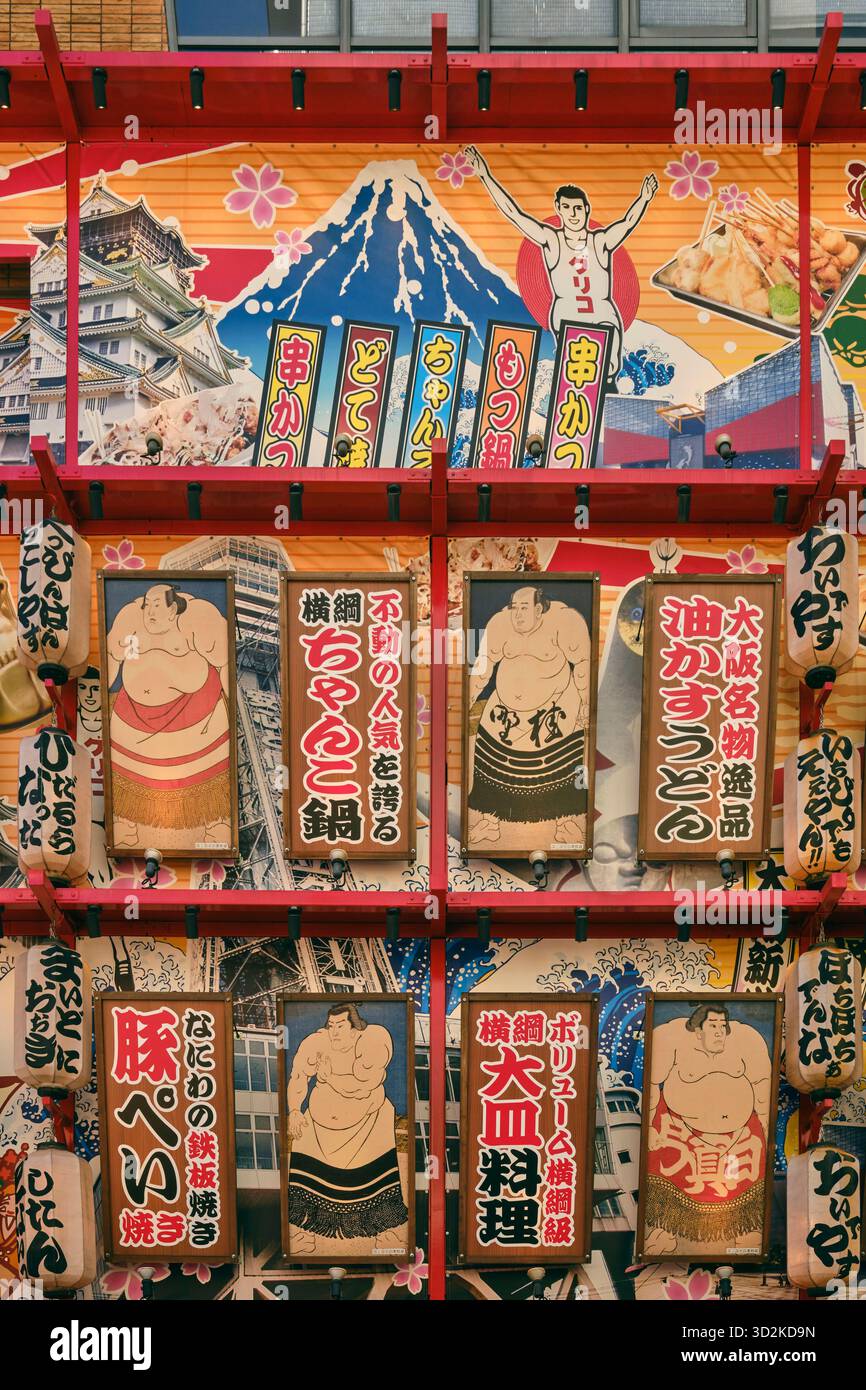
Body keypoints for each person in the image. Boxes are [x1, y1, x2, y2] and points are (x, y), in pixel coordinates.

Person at [463, 146, 657, 380]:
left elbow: (627, 222)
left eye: (577, 208)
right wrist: (485, 176)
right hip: (567, 317)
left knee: (608, 371)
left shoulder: (600, 240)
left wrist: (644, 199)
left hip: (603, 315)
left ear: (586, 210)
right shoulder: (551, 239)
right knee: (577, 380)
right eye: (566, 208)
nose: (573, 214)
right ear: (558, 209)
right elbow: (515, 214)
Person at [105, 582, 231, 849]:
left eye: (157, 606)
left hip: (196, 714)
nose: (149, 612)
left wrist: (233, 706)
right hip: (134, 716)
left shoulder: (199, 618)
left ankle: (216, 824)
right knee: (129, 775)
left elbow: (223, 662)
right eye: (147, 605)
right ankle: (125, 827)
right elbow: (112, 658)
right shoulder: (130, 620)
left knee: (208, 775)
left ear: (173, 609)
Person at [644, 1003, 772, 1256]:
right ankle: (662, 1231)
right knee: (664, 1171)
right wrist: (651, 1126)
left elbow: (762, 1084)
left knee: (748, 1177)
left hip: (738, 1134)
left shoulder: (748, 1040)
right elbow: (651, 1083)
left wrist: (766, 1126)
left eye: (722, 1026)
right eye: (712, 1026)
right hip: (682, 1130)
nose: (719, 1033)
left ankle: (747, 1233)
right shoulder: (670, 1039)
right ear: (697, 1030)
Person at [468, 584, 590, 847]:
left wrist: (585, 704)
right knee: (491, 760)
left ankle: (566, 823)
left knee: (562, 765)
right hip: (506, 708)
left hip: (554, 706)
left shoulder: (565, 621)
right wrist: (468, 699)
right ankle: (490, 822)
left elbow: (582, 664)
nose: (518, 614)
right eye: (514, 608)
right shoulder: (499, 625)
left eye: (524, 608)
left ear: (538, 608)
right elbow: (483, 665)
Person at [285, 1002, 408, 1253]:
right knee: (304, 1162)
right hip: (321, 1117)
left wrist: (331, 1078)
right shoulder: (315, 1043)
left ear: (354, 1026)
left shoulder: (373, 1039)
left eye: (340, 1026)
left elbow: (365, 1084)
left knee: (375, 1182)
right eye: (331, 1026)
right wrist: (295, 1110)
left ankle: (387, 1236)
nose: (335, 1032)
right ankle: (302, 1234)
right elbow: (298, 1075)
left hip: (367, 1119)